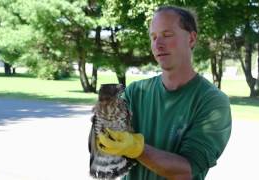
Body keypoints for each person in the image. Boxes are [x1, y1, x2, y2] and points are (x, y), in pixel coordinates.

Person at [97, 5, 232, 180]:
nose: (158, 44)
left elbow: (187, 170)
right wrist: (105, 136)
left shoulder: (212, 101)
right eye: (153, 37)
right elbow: (109, 150)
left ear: (191, 39)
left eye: (167, 35)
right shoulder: (136, 92)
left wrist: (136, 147)